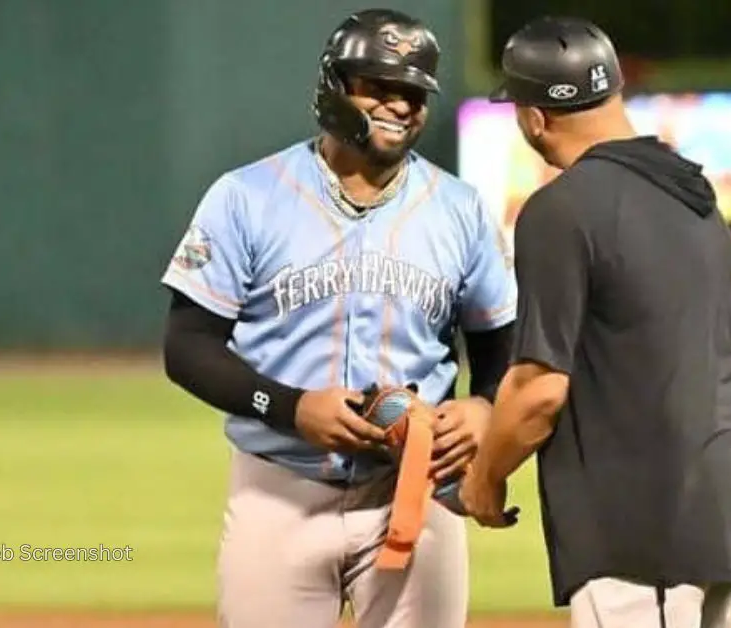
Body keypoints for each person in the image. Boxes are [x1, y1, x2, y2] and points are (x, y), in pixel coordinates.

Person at [158, 8, 516, 628]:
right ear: (334, 87)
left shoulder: (459, 209)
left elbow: (501, 344)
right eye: (380, 86)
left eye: (413, 93)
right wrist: (289, 406)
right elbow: (187, 346)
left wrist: (485, 406)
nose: (400, 106)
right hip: (277, 492)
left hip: (413, 493)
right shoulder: (247, 196)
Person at [458, 15, 731, 628]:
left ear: (535, 117)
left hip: (636, 534)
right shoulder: (695, 198)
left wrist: (485, 476)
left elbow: (539, 388)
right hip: (717, 508)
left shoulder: (561, 210)